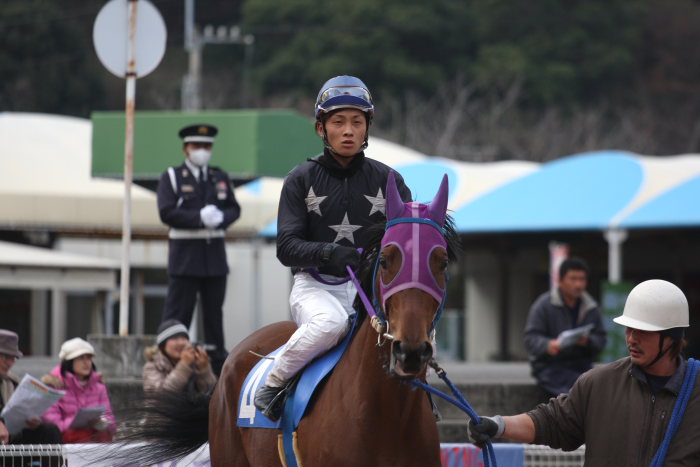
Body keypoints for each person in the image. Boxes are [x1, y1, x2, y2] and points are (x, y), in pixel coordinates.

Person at [253, 75, 412, 420]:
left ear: (368, 128)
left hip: (373, 290)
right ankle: (274, 381)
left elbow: (406, 246)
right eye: (338, 122)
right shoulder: (300, 179)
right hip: (316, 286)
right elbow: (286, 247)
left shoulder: (391, 181)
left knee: (414, 327)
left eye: (357, 122)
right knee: (331, 325)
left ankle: (420, 401)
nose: (348, 130)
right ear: (320, 129)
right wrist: (327, 253)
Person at [469, 279, 700, 466]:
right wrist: (498, 425)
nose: (631, 339)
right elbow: (551, 421)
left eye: (643, 332)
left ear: (672, 338)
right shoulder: (600, 383)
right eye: (629, 329)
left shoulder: (695, 390)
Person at [157, 123, 241, 376]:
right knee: (178, 312)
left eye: (207, 146)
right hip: (186, 257)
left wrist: (221, 218)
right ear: (186, 149)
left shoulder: (219, 176)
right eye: (197, 146)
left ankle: (215, 360)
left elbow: (234, 209)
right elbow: (166, 211)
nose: (202, 151)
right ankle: (169, 358)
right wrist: (198, 217)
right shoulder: (172, 176)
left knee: (214, 313)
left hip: (213, 257)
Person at [523, 257, 607, 397]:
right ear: (560, 280)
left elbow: (601, 339)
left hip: (581, 366)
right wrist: (549, 345)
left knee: (601, 388)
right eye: (573, 279)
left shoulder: (591, 306)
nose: (578, 284)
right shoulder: (544, 304)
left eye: (582, 279)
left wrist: (588, 341)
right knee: (579, 392)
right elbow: (530, 338)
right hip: (550, 367)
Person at [41, 337, 116, 443]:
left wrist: (102, 423)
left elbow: (110, 419)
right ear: (68, 362)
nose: (87, 363)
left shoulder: (99, 386)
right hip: (64, 446)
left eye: (89, 358)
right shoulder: (53, 385)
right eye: (81, 358)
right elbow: (51, 421)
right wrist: (74, 423)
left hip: (96, 443)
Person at [0, 329, 62, 445]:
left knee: (49, 431)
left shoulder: (12, 382)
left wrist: (32, 420)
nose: (9, 363)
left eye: (13, 358)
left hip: (11, 435)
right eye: (5, 357)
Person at [143, 319, 217, 394]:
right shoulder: (152, 366)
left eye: (184, 338)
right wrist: (184, 365)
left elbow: (212, 394)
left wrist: (204, 370)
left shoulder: (194, 362)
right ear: (162, 346)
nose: (181, 342)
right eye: (174, 338)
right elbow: (160, 397)